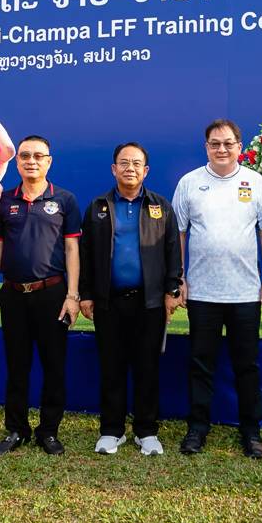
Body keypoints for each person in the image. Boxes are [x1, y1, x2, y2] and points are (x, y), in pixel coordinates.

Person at [172, 119, 262, 459]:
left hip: (246, 293)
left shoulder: (255, 182)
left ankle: (251, 431)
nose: (222, 149)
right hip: (202, 294)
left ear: (239, 145)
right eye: (215, 144)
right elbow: (179, 235)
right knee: (201, 363)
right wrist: (179, 278)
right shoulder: (189, 183)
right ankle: (197, 428)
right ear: (206, 147)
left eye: (228, 143)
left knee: (247, 365)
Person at [79, 142, 182, 456]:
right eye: (124, 163)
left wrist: (172, 290)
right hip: (108, 302)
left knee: (147, 367)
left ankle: (146, 431)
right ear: (114, 169)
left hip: (149, 303)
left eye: (137, 163)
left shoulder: (160, 206)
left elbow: (172, 253)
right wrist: (85, 294)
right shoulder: (97, 207)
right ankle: (112, 430)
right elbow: (85, 255)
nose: (130, 168)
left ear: (145, 170)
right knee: (111, 366)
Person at [0, 135, 82, 455]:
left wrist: (73, 295)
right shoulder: (4, 201)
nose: (31, 161)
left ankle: (49, 431)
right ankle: (16, 430)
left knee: (54, 366)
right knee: (17, 366)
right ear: (18, 161)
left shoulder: (64, 200)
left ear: (49, 161)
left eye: (39, 156)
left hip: (52, 294)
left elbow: (71, 248)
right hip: (13, 296)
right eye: (25, 156)